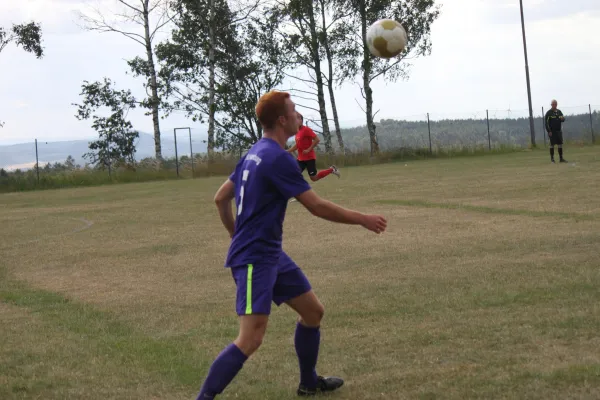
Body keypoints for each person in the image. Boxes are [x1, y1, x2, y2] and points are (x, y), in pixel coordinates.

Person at [196, 90, 387, 399]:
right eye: (295, 111)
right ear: (282, 120)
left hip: (269, 253)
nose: (299, 116)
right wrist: (362, 218)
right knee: (250, 338)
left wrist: (236, 233)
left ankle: (308, 382)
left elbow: (221, 198)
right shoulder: (278, 158)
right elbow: (317, 206)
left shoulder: (254, 152)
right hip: (255, 258)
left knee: (313, 312)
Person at [287, 113, 340, 181]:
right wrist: (288, 151)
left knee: (314, 178)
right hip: (301, 159)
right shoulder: (297, 131)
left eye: (298, 118)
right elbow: (298, 144)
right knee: (294, 174)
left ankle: (332, 169)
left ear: (301, 120)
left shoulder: (306, 130)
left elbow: (317, 139)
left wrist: (308, 149)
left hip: (309, 158)